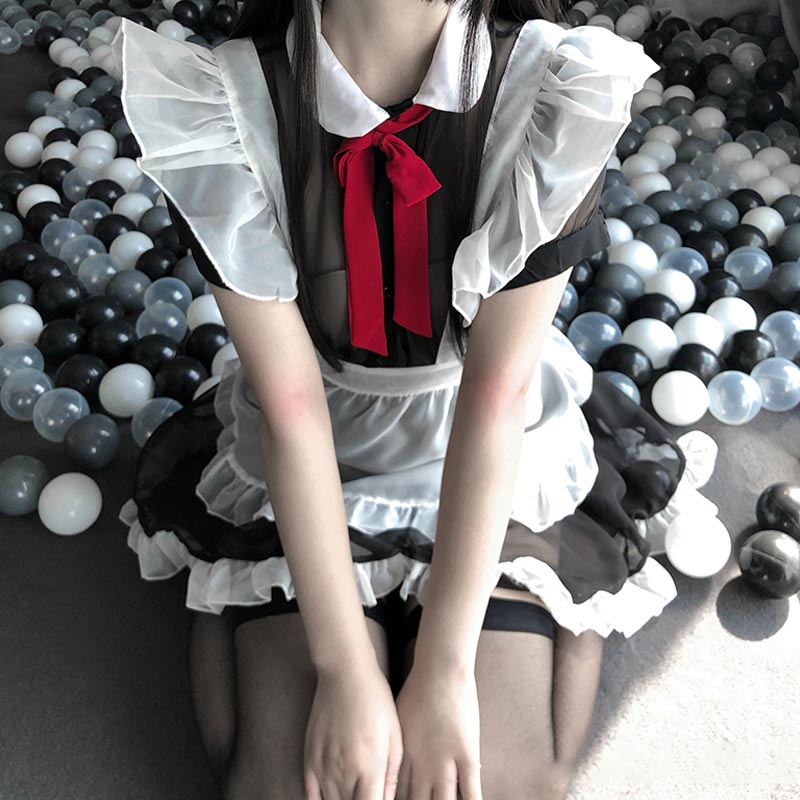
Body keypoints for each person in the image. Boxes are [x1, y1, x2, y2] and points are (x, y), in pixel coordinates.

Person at [110, 2, 719, 798]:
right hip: (321, 443)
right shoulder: (221, 103)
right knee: (290, 781)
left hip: (488, 440)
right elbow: (292, 406)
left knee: (495, 780)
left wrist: (444, 671)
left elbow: (495, 395)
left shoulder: (552, 88)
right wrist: (344, 669)